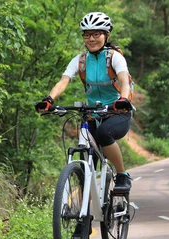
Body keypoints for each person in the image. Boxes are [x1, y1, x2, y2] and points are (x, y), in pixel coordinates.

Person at [35, 12, 133, 192]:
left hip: (117, 112)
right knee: (86, 152)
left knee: (104, 133)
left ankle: (122, 175)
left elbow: (124, 81)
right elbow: (63, 81)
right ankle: (83, 212)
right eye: (87, 34)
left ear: (106, 35)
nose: (91, 39)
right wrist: (49, 99)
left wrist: (123, 100)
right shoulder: (80, 60)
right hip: (93, 113)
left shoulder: (114, 57)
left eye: (96, 34)